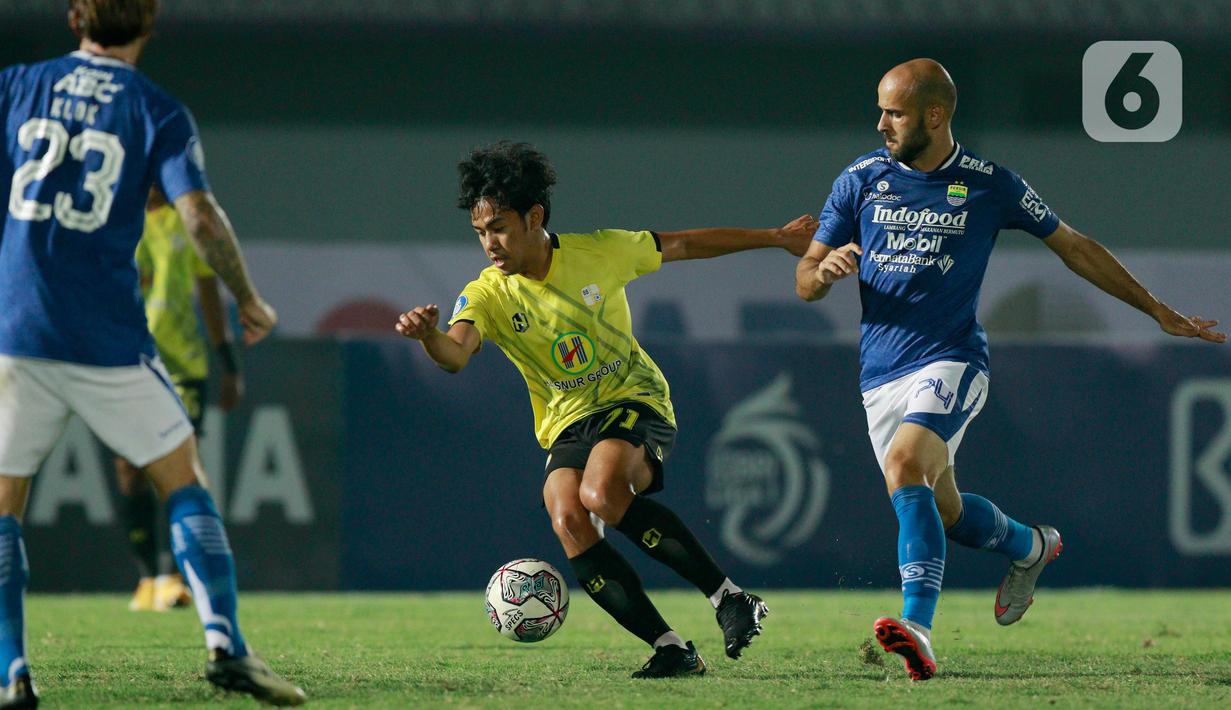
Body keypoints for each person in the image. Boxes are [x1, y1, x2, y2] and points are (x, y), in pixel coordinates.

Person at [795, 58, 1226, 681]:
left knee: (904, 465)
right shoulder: (860, 179)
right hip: (880, 374)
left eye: (894, 112)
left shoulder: (990, 183)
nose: (882, 123)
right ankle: (1031, 545)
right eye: (882, 110)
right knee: (939, 509)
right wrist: (825, 271)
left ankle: (917, 627)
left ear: (934, 116)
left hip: (953, 358)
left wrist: (1157, 309)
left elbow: (1073, 246)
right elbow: (805, 277)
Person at [397, 141, 814, 678]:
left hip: (633, 399)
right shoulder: (488, 293)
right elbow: (455, 355)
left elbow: (686, 244)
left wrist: (776, 239)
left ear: (535, 217)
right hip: (568, 423)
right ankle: (671, 649)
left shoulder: (600, 252)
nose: (489, 244)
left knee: (602, 493)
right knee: (569, 515)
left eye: (498, 227)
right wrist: (429, 335)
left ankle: (730, 598)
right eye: (480, 232)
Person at [0, 1, 305, 705]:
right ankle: (226, 644)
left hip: (18, 330)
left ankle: (13, 671)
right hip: (106, 340)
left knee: (6, 506)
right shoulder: (156, 108)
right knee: (183, 480)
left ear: (74, 17)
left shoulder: (17, 85)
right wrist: (248, 297)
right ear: (150, 26)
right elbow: (197, 214)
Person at [118, 187, 244, 612]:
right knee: (129, 468)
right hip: (127, 363)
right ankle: (147, 578)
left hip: (183, 366)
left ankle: (174, 577)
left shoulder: (184, 219)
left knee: (175, 465)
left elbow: (208, 293)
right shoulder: (117, 218)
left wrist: (227, 361)